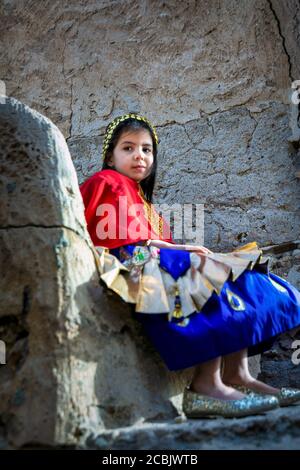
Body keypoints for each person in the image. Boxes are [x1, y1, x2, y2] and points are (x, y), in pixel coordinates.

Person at [79, 113, 300, 418]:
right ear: (110, 155)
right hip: (128, 261)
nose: (139, 156)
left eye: (146, 149)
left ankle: (239, 375)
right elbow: (124, 247)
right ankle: (206, 384)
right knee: (197, 268)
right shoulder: (106, 181)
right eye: (128, 148)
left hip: (145, 257)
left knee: (235, 269)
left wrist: (179, 250)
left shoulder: (143, 199)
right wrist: (181, 250)